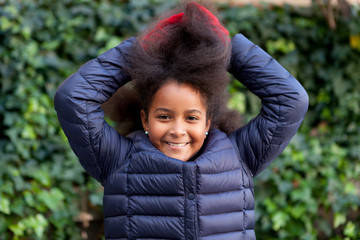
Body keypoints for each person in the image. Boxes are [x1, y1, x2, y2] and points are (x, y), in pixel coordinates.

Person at [54, 1, 309, 239]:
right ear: (145, 119)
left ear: (207, 122)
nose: (178, 130)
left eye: (191, 117)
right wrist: (139, 49)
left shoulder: (240, 155)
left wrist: (222, 48)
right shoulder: (117, 160)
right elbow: (73, 99)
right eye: (164, 116)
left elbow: (290, 101)